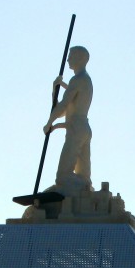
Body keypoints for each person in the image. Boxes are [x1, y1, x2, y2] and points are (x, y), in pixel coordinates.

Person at [44, 46, 93, 194]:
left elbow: (63, 106)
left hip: (76, 128)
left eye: (71, 56)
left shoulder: (78, 80)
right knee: (83, 176)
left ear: (80, 59)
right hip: (83, 128)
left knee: (62, 177)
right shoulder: (84, 79)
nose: (68, 60)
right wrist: (56, 89)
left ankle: (77, 193)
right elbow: (63, 110)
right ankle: (84, 190)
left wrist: (49, 123)